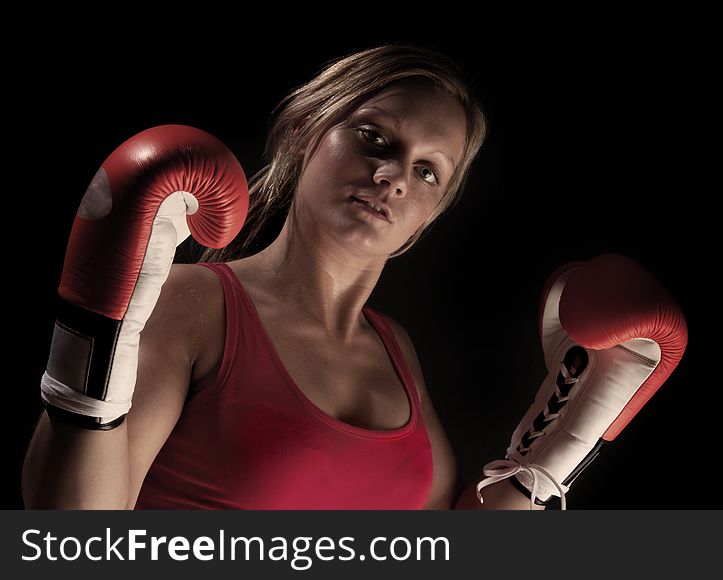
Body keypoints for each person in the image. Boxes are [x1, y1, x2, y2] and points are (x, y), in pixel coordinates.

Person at [23, 42, 554, 510]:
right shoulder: (192, 304)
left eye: (427, 171)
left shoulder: (397, 351)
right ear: (306, 133)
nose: (393, 175)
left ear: (432, 211)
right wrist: (90, 333)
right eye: (374, 135)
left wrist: (560, 447)